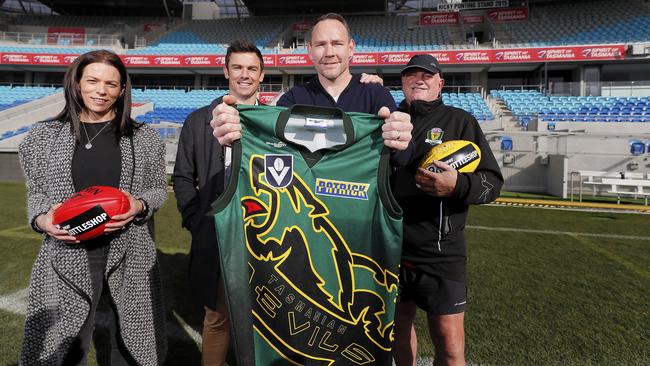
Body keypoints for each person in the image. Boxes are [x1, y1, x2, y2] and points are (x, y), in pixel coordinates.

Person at [18, 50, 167, 365]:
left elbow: (156, 190)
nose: (102, 90)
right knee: (66, 345)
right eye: (93, 81)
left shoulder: (145, 138)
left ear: (122, 90)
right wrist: (43, 218)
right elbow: (37, 193)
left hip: (130, 251)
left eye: (112, 84)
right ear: (76, 82)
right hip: (67, 252)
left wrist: (138, 204)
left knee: (130, 346)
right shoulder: (42, 137)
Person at [391, 54, 504, 366]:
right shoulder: (388, 122)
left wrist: (457, 186)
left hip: (441, 252)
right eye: (411, 75)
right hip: (390, 249)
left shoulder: (460, 121)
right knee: (396, 333)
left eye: (427, 75)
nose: (419, 80)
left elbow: (492, 183)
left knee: (451, 346)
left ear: (440, 83)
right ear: (402, 82)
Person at [172, 40, 266, 366]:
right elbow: (183, 178)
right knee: (217, 317)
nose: (244, 75)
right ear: (225, 70)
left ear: (261, 75)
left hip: (266, 237)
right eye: (237, 67)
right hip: (216, 235)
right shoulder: (198, 121)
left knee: (268, 320)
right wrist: (196, 221)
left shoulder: (273, 122)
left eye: (251, 69)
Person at [211, 12, 413, 158]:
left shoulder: (376, 95)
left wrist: (400, 141)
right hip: (307, 213)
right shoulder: (293, 99)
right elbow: (264, 142)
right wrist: (233, 126)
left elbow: (403, 159)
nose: (329, 53)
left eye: (337, 43)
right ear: (309, 51)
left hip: (361, 214)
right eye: (320, 45)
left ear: (351, 48)